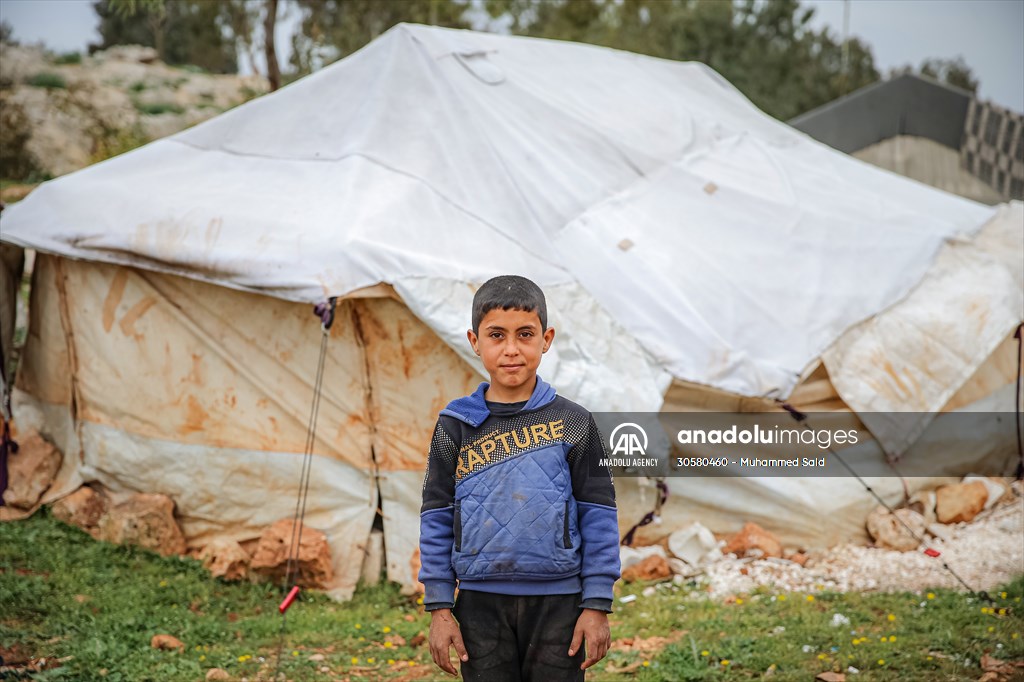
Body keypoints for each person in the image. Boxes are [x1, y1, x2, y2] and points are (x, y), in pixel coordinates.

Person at [419, 275, 621, 681]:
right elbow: (436, 516)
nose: (511, 349)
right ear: (475, 341)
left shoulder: (574, 422)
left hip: (560, 600)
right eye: (497, 335)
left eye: (524, 334)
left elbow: (599, 512)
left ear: (545, 339)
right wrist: (441, 607)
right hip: (479, 602)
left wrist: (596, 603)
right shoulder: (455, 425)